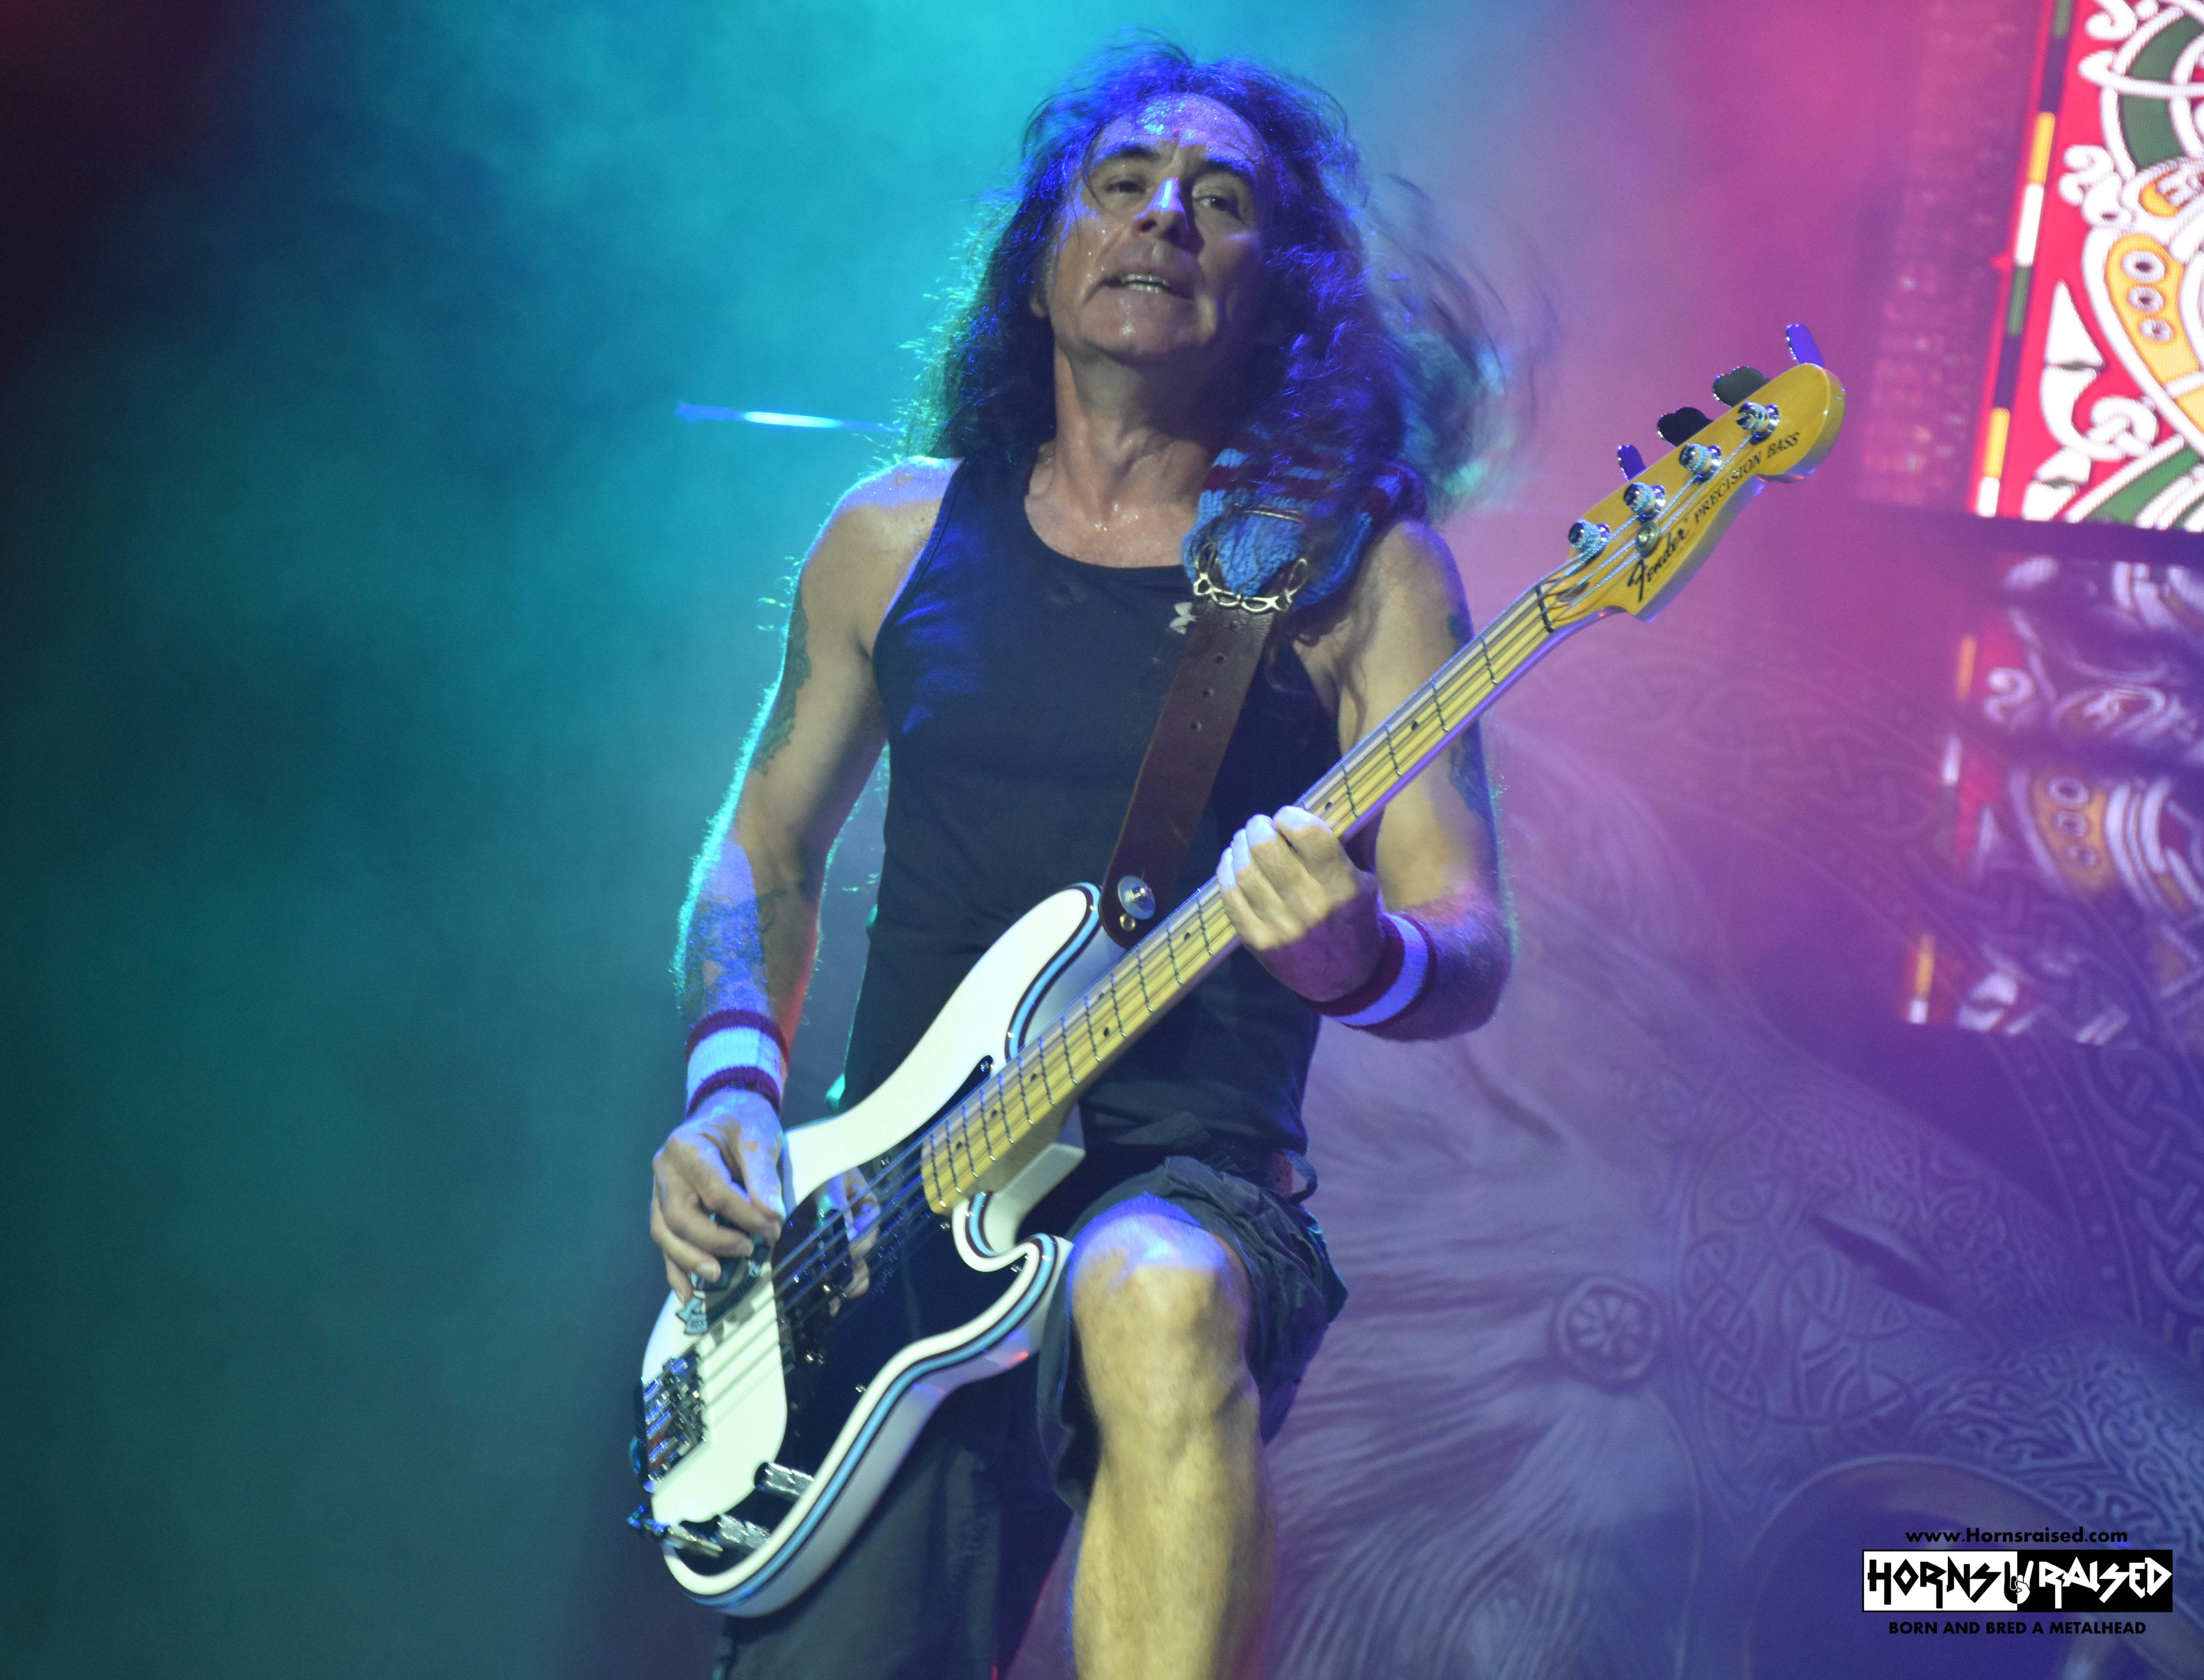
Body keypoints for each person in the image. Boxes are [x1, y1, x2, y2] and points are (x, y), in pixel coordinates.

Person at [648, 39, 1514, 1680]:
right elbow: (762, 843)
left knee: (1150, 1288)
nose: (1166, 216)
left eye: (1223, 201)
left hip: (1193, 1186)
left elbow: (1465, 932)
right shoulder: (893, 535)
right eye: (1123, 183)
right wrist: (731, 1079)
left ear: (1281, 293)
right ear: (1042, 256)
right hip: (895, 1218)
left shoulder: (1361, 574)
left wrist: (1360, 956)